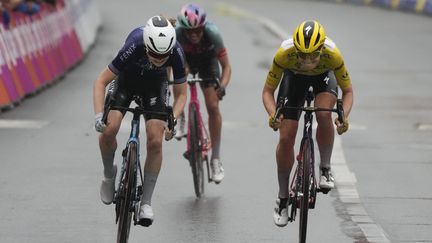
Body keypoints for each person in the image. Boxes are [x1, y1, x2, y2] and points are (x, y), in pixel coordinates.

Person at [92, 15, 187, 227]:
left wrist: (173, 119)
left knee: (155, 140)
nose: (159, 60)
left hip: (154, 88)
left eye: (164, 56)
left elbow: (181, 94)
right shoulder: (135, 43)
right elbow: (101, 81)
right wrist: (99, 115)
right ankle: (109, 175)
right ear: (147, 46)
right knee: (109, 130)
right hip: (126, 82)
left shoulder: (177, 52)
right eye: (154, 54)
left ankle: (146, 202)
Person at [262, 20, 353, 227]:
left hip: (324, 77)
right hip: (293, 78)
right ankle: (283, 197)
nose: (308, 60)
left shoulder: (333, 55)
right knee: (286, 137)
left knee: (323, 114)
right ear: (296, 49)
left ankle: (326, 168)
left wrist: (343, 116)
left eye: (313, 55)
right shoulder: (284, 54)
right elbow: (267, 92)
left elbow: (348, 92)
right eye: (303, 55)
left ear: (321, 48)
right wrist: (272, 114)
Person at [174, 3, 232, 184]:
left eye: (198, 30)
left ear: (203, 27)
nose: (194, 35)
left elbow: (227, 67)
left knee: (213, 105)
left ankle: (215, 159)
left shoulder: (212, 32)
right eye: (189, 32)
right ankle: (182, 118)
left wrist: (222, 85)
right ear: (183, 29)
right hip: (186, 60)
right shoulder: (176, 33)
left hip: (208, 62)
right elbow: (170, 66)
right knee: (179, 75)